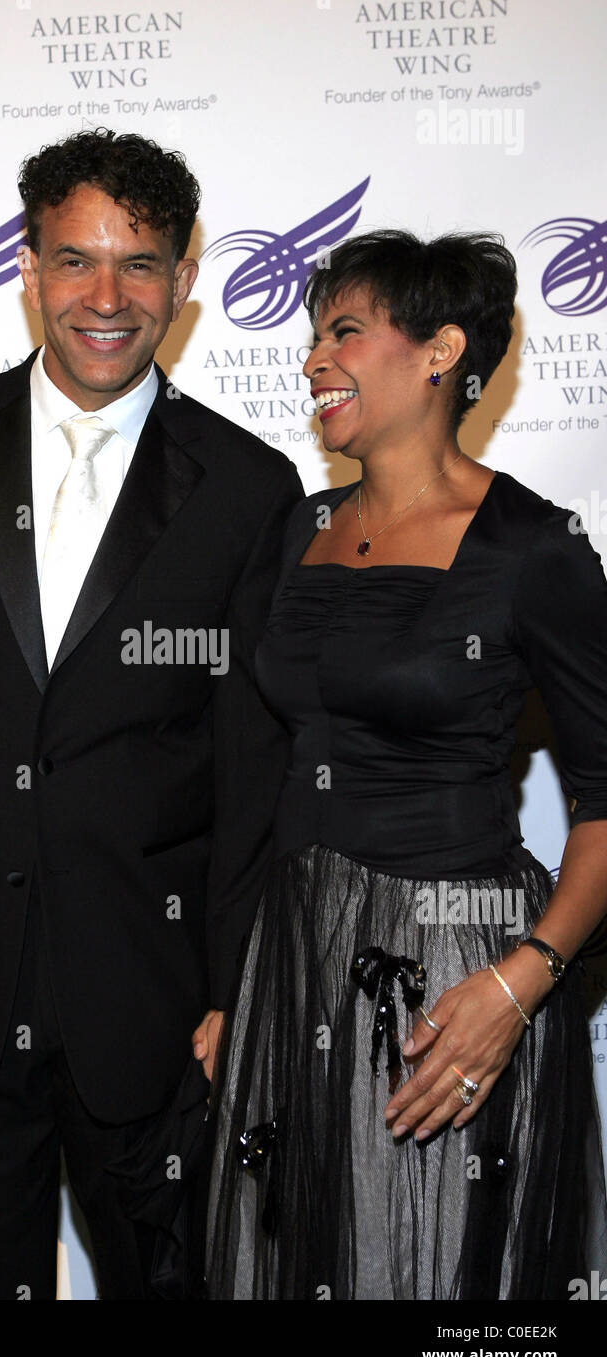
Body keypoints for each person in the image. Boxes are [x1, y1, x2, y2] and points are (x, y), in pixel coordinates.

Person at [0, 128, 303, 1300]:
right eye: (75, 259)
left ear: (185, 283)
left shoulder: (249, 488)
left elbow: (256, 770)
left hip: (157, 999)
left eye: (139, 264)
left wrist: (241, 988)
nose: (105, 296)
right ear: (25, 267)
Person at [205, 230, 607, 1300]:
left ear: (439, 352)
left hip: (449, 978)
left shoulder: (535, 550)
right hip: (295, 966)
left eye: (344, 332)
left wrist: (521, 983)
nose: (310, 361)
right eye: (311, 336)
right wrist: (234, 992)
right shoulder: (303, 529)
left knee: (428, 1274)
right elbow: (273, 766)